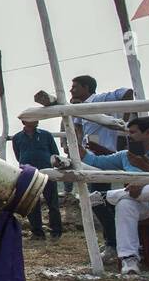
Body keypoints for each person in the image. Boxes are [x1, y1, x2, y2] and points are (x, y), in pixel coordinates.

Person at [36, 75, 133, 251]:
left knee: (101, 199)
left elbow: (127, 92)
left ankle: (114, 242)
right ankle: (113, 240)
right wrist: (76, 149)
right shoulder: (79, 107)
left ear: (86, 87)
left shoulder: (100, 99)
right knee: (96, 199)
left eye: (75, 87)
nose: (71, 90)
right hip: (91, 156)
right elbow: (79, 129)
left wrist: (123, 124)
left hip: (107, 154)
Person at [77, 116, 149, 274]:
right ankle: (129, 260)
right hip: (139, 200)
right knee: (125, 205)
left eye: (132, 132)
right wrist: (80, 150)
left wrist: (143, 173)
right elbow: (98, 162)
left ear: (147, 132)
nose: (129, 136)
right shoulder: (127, 155)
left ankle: (109, 196)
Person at [11, 118, 63, 240]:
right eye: (32, 118)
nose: (36, 120)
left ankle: (56, 231)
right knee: (32, 204)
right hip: (29, 174)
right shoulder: (17, 138)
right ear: (24, 122)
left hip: (47, 173)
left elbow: (54, 153)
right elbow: (18, 155)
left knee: (53, 204)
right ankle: (37, 232)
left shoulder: (46, 135)